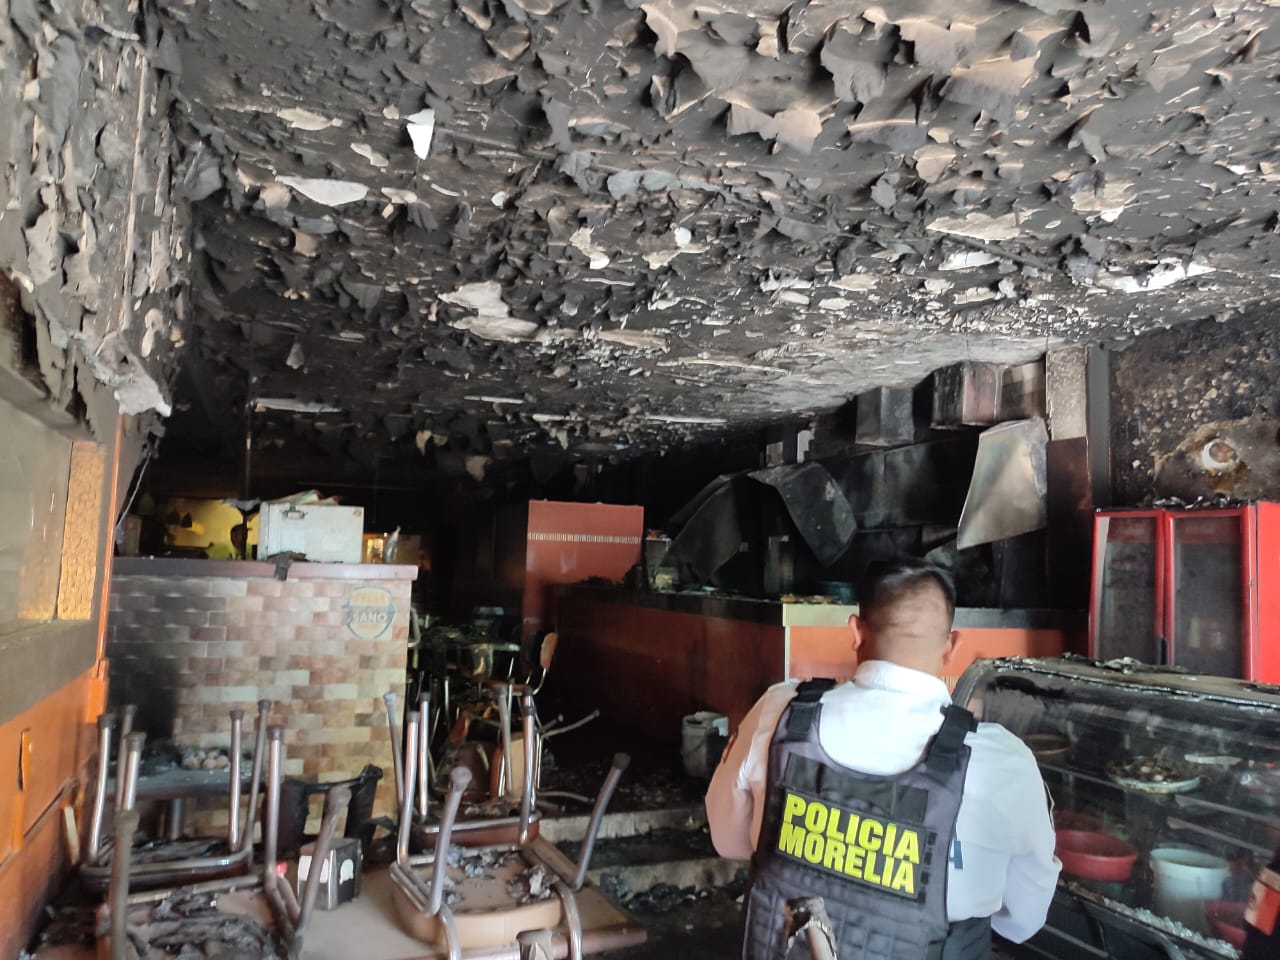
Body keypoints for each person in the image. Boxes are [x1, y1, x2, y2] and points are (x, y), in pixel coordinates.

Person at [706, 560, 1060, 959]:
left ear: (856, 632)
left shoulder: (781, 713)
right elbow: (1023, 919)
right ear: (952, 645)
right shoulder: (1000, 761)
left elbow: (727, 838)